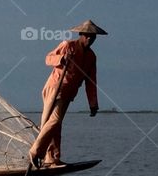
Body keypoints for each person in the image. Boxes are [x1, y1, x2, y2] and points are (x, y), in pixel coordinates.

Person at [29, 20, 107, 167]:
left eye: (93, 37)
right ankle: (35, 152)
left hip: (68, 93)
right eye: (87, 36)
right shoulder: (68, 45)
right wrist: (61, 59)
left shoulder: (91, 56)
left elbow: (91, 81)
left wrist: (93, 103)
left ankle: (52, 158)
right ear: (81, 35)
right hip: (54, 88)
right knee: (52, 121)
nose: (90, 39)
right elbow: (48, 58)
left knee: (55, 125)